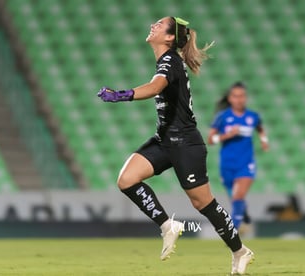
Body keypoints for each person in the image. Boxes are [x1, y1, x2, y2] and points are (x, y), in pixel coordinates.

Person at [97, 17, 253, 274]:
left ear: (169, 37)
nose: (153, 25)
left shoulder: (170, 60)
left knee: (203, 204)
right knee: (127, 180)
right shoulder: (166, 61)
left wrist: (121, 94)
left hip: (185, 144)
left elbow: (155, 86)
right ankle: (168, 225)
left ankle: (240, 251)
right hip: (164, 140)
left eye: (159, 24)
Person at [207, 82, 269, 232]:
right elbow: (210, 140)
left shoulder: (252, 116)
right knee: (235, 197)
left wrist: (264, 141)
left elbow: (260, 128)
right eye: (235, 96)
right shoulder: (222, 117)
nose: (239, 99)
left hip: (246, 163)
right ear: (230, 99)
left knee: (239, 195)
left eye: (242, 96)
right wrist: (228, 135)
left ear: (245, 98)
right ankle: (243, 211)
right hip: (227, 165)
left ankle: (233, 229)